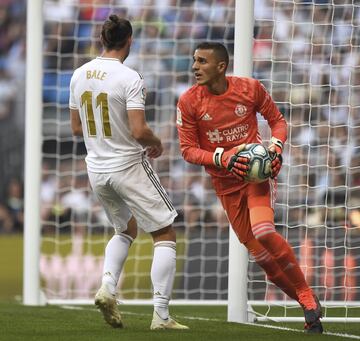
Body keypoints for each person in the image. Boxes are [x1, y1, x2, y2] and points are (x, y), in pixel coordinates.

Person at [176, 41, 323, 333]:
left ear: (221, 66)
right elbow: (187, 150)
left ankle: (306, 295)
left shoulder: (250, 88)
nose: (195, 67)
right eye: (195, 61)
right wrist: (223, 157)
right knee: (264, 260)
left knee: (265, 231)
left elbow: (277, 121)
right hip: (225, 185)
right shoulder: (189, 101)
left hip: (255, 176)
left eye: (202, 61)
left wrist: (276, 147)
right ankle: (309, 307)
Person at [69, 14, 188, 331]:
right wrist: (157, 142)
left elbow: (76, 127)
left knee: (126, 229)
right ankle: (161, 316)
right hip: (127, 164)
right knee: (164, 232)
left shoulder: (78, 75)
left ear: (102, 40)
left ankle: (108, 288)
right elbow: (139, 130)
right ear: (129, 41)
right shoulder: (129, 77)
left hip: (96, 167)